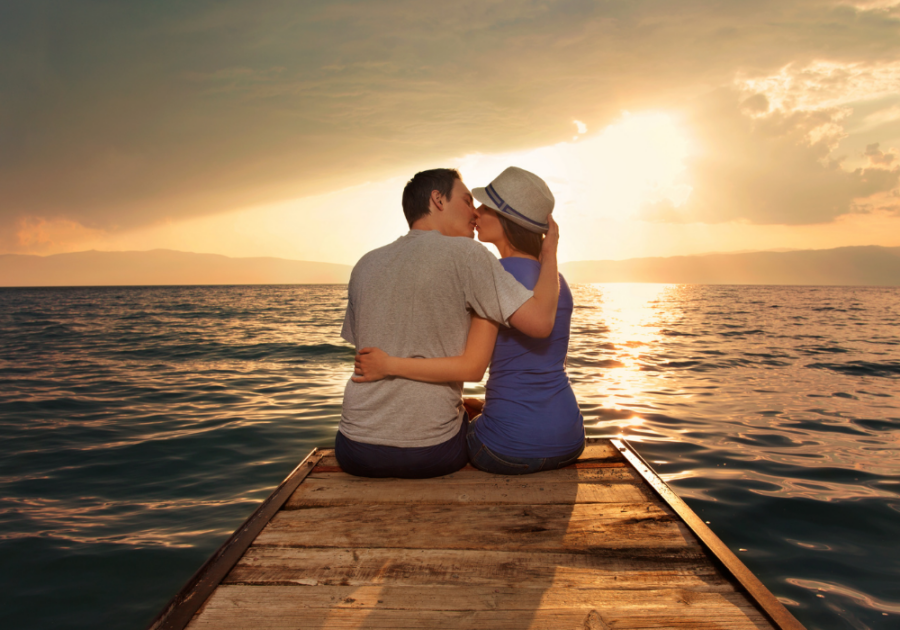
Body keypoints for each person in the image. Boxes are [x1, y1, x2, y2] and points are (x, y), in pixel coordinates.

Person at [353, 167, 585, 475]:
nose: (476, 213)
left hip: (508, 450)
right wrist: (549, 253)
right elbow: (531, 368)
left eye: (485, 207)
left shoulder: (492, 275)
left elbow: (473, 366)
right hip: (570, 437)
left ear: (508, 221)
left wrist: (390, 364)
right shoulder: (555, 283)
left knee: (461, 429)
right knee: (471, 408)